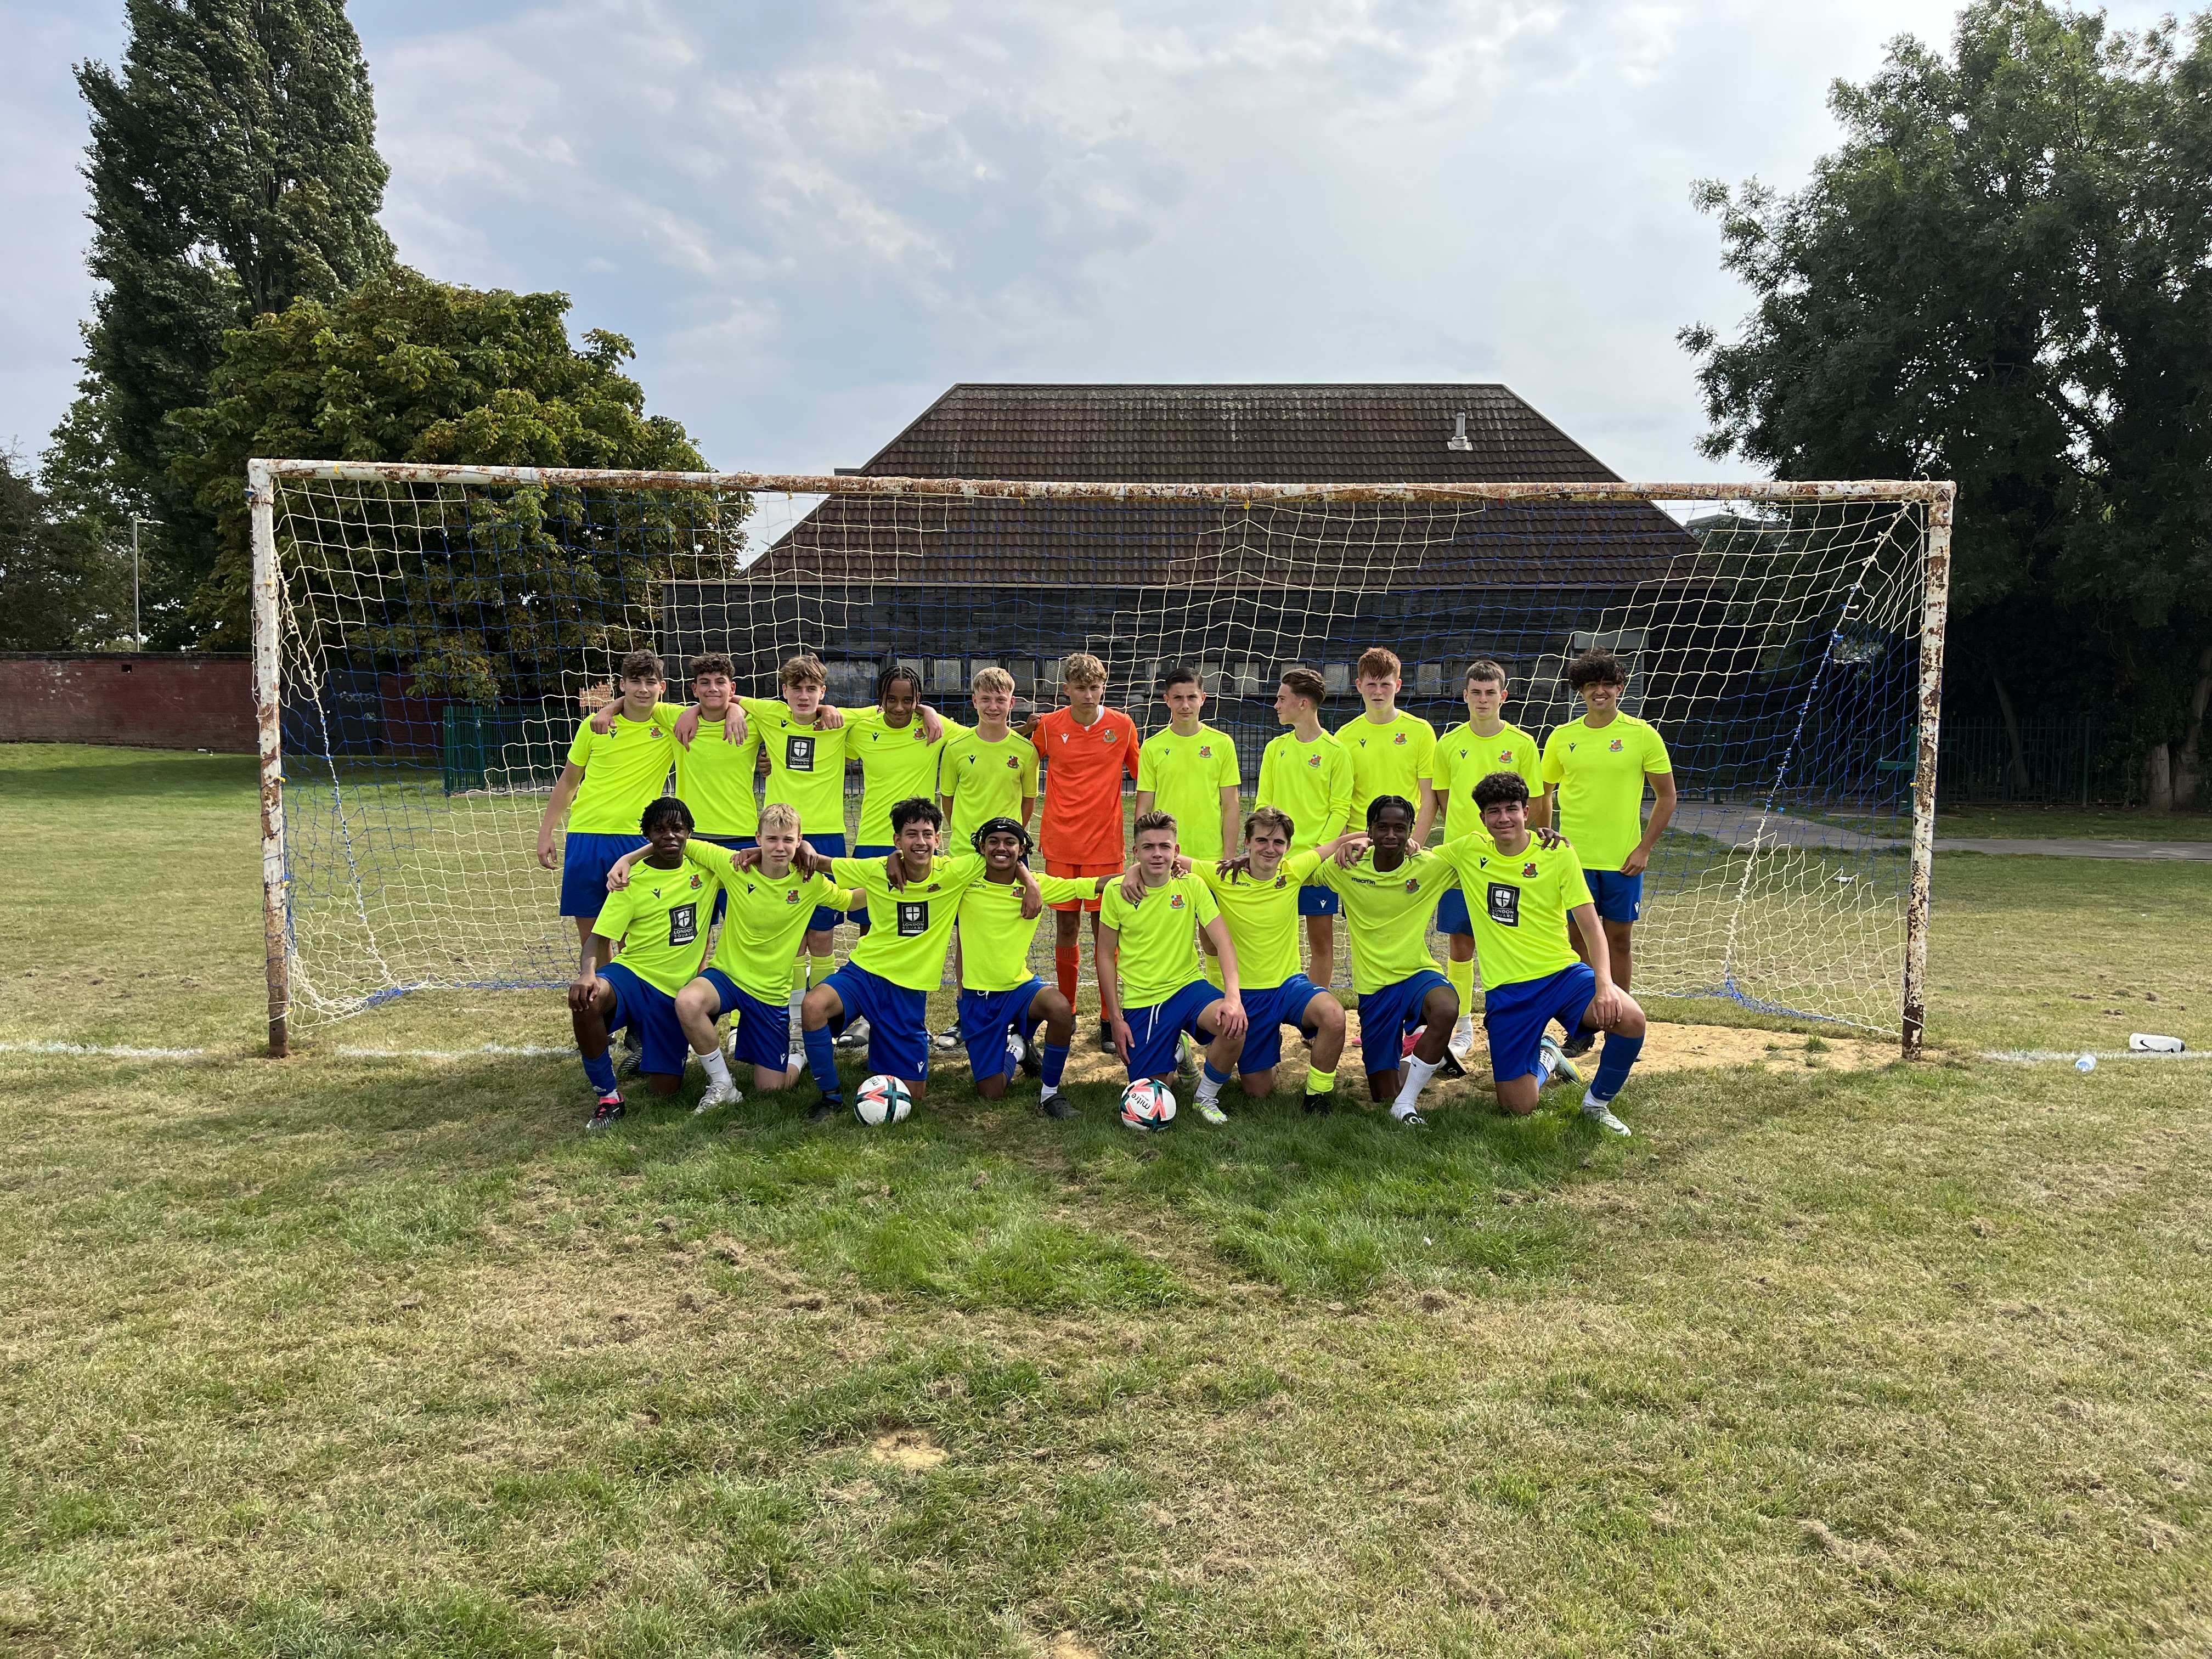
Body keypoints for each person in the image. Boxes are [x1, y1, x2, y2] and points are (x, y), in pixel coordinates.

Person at [604, 803, 853, 1110]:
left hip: (770, 992)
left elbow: (849, 900)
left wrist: (896, 882)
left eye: (788, 840)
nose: (779, 847)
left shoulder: (810, 882)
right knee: (688, 1001)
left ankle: (797, 1055)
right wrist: (627, 858)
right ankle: (723, 1084)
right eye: (772, 839)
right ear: (758, 838)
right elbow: (679, 842)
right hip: (727, 977)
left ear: (799, 841)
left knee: (771, 1089)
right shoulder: (734, 866)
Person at [1439, 771, 1647, 1135]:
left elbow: (1590, 925)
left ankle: (1597, 1105)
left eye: (1511, 809)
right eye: (1493, 811)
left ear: (1527, 812)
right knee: (1518, 1106)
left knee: (1630, 1019)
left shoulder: (1557, 852)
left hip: (1562, 975)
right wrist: (1354, 842)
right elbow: (1411, 855)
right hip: (1509, 991)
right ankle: (1549, 1054)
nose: (1503, 818)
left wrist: (1605, 983)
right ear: (1483, 818)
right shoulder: (1467, 851)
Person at [776, 797, 993, 1122]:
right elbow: (821, 862)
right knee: (813, 1006)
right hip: (865, 973)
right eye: (910, 834)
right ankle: (830, 1096)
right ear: (897, 841)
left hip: (907, 988)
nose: (920, 842)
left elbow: (1002, 853)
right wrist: (802, 846)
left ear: (938, 839)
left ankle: (884, 1046)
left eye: (927, 834)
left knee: (913, 1094)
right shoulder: (876, 868)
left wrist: (1030, 881)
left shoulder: (955, 872)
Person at [1169, 806, 1352, 1116]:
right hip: (1246, 996)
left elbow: (1334, 845)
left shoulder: (1293, 870)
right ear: (1248, 842)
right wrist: (1134, 872)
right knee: (1259, 1092)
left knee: (1334, 1016)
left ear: (1288, 847)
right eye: (1263, 841)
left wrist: (1364, 841)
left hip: (1288, 987)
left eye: (1278, 843)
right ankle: (1259, 1047)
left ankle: (1317, 1096)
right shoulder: (1221, 874)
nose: (1271, 848)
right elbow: (1165, 860)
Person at [1539, 647, 1675, 1054]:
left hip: (1623, 862)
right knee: (1576, 944)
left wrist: (1644, 848)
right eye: (1590, 685)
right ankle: (1581, 1025)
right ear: (1581, 691)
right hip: (1573, 860)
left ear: (1620, 687)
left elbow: (1667, 797)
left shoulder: (1642, 734)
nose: (1599, 692)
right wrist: (1543, 833)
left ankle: (1620, 1021)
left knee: (1618, 942)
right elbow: (1543, 793)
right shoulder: (1563, 738)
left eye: (1606, 684)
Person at [1418, 659, 1547, 1059]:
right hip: (1464, 862)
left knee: (1510, 940)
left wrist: (1530, 846)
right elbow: (1441, 798)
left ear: (1504, 697)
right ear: (1465, 696)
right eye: (1476, 692)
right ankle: (1462, 1026)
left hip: (1510, 862)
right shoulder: (1448, 743)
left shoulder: (1523, 744)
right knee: (1461, 942)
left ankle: (1513, 1018)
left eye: (1491, 692)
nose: (1483, 699)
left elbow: (1538, 803)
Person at [568, 797, 716, 1130]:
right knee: (588, 999)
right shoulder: (629, 881)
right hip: (632, 975)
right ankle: (608, 1096)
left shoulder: (708, 871)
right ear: (648, 834)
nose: (670, 836)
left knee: (665, 1092)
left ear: (689, 832)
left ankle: (649, 1052)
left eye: (677, 828)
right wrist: (587, 973)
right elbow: (598, 937)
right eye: (659, 830)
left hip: (675, 993)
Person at [1312, 795, 1460, 1125]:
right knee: (1382, 1094)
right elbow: (1296, 871)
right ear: (1370, 830)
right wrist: (1343, 843)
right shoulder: (1347, 868)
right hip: (1374, 988)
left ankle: (1407, 1104)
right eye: (1382, 827)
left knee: (1447, 1009)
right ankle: (1425, 1055)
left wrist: (1540, 840)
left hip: (1417, 974)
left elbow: (1487, 861)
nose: (1391, 834)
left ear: (1411, 832)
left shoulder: (1429, 867)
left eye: (1400, 828)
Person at [1018, 652, 1140, 1048]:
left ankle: (1110, 1018)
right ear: (1066, 690)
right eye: (1080, 688)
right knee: (1066, 929)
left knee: (1107, 933)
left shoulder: (1122, 726)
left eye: (1095, 687)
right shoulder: (1050, 727)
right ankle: (1067, 1013)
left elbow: (1147, 775)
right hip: (1060, 845)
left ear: (1104, 687)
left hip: (1106, 847)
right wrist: (1025, 725)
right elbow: (1010, 755)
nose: (1088, 695)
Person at [1096, 810, 1248, 1124]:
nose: (1157, 854)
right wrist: (1115, 1018)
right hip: (1144, 1000)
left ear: (1176, 851)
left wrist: (1233, 997)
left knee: (1234, 1026)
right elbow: (1104, 955)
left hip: (1188, 987)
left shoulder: (1191, 886)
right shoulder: (1116, 892)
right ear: (1135, 852)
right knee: (1154, 1090)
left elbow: (1224, 944)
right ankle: (1177, 1052)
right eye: (1148, 847)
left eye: (1165, 846)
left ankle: (1205, 1097)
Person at [955, 817, 1111, 1119]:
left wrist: (1139, 872)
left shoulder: (1039, 883)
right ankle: (1017, 1048)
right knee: (992, 1092)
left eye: (1010, 842)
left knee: (1060, 1007)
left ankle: (1050, 1093)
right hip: (978, 997)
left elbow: (1092, 884)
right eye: (994, 842)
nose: (1002, 848)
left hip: (1018, 988)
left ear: (1022, 848)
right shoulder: (963, 880)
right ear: (982, 848)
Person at [538, 648, 678, 953]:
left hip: (635, 840)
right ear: (621, 684)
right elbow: (569, 781)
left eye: (651, 682)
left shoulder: (671, 726)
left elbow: (713, 709)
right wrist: (546, 833)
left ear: (662, 687)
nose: (643, 689)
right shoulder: (594, 725)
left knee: (636, 936)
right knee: (592, 935)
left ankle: (631, 997)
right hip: (586, 835)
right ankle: (599, 998)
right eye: (635, 681)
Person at [1134, 662, 1242, 989]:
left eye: (1191, 697)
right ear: (1166, 700)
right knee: (1167, 938)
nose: (1185, 705)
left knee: (1212, 940)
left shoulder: (1221, 744)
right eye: (1177, 698)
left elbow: (1231, 804)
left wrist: (1227, 854)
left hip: (1209, 860)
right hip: (1165, 859)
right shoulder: (1153, 747)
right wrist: (1141, 854)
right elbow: (1143, 806)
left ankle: (1218, 1005)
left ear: (1203, 699)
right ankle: (1172, 1012)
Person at [1255, 665, 1354, 990]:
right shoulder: (1275, 749)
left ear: (1303, 704)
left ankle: (1315, 1021)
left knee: (1321, 945)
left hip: (1316, 866)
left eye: (1282, 698)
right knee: (1274, 945)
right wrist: (1267, 847)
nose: (1276, 704)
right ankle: (1274, 1007)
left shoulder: (1337, 752)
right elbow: (1262, 805)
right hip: (1277, 862)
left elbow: (1340, 809)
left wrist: (1318, 852)